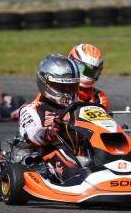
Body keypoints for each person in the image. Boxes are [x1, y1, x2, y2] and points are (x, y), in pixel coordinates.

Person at [16, 54, 82, 182]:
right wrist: (51, 130)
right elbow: (31, 135)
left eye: (71, 87)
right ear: (45, 83)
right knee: (62, 154)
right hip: (51, 153)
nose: (67, 92)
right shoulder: (32, 109)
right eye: (62, 87)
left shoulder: (81, 107)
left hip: (84, 151)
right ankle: (78, 180)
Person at [68, 43, 111, 112]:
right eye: (82, 69)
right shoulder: (58, 88)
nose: (87, 75)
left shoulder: (98, 97)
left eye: (91, 72)